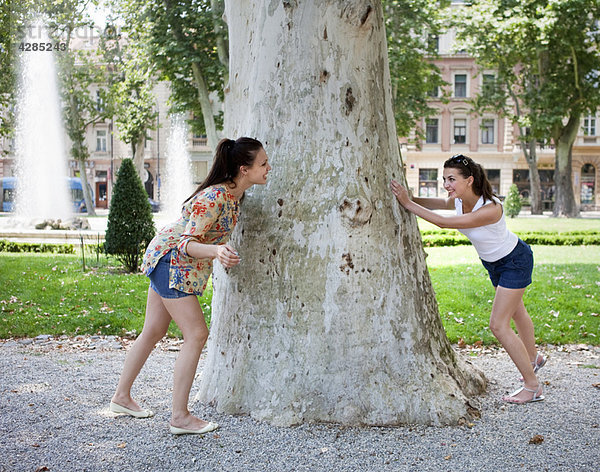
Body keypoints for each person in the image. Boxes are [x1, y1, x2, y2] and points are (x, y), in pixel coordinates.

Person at [110, 137, 271, 434]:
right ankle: (180, 417)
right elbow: (187, 244)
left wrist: (219, 250)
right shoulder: (215, 198)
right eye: (263, 163)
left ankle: (121, 397)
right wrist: (217, 251)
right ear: (243, 169)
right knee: (196, 334)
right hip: (171, 260)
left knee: (153, 331)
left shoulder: (234, 198)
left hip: (167, 258)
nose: (268, 168)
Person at [390, 154, 545, 404]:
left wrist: (408, 204)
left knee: (498, 325)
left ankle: (532, 385)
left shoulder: (491, 208)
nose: (446, 184)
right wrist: (407, 197)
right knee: (518, 313)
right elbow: (439, 203)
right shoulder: (459, 200)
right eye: (444, 179)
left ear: (469, 180)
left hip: (515, 261)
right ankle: (534, 359)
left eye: (451, 179)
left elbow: (442, 223)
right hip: (495, 264)